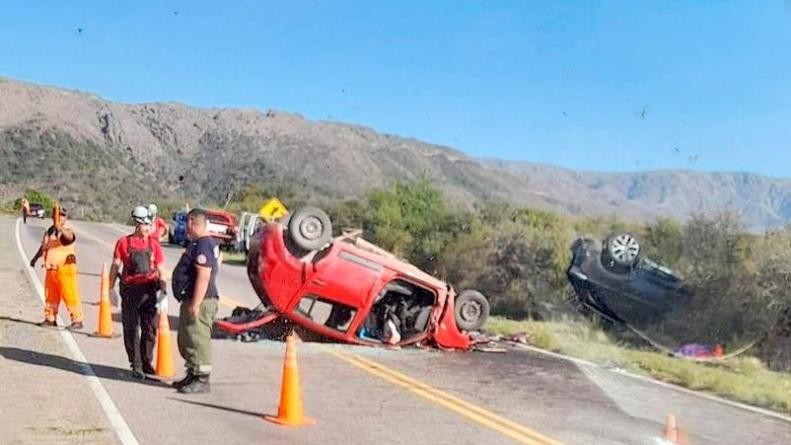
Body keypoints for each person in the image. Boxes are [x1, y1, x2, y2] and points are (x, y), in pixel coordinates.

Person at [109, 206, 168, 379]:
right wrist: (110, 288)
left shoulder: (154, 245)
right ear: (136, 224)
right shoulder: (123, 243)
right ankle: (136, 364)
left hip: (149, 291)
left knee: (149, 329)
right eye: (144, 225)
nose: (148, 228)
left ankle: (146, 361)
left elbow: (162, 269)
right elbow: (115, 266)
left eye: (150, 225)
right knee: (131, 329)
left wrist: (163, 292)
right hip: (130, 292)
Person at [171, 208, 220, 394]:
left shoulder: (204, 244)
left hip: (202, 300)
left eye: (187, 223)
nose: (186, 228)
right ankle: (192, 372)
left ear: (192, 222)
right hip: (192, 297)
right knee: (188, 337)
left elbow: (204, 275)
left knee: (198, 338)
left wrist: (196, 303)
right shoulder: (200, 243)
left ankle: (202, 377)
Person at [29, 208, 83, 329]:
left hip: (65, 269)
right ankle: (50, 319)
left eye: (62, 216)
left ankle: (77, 320)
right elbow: (44, 246)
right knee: (50, 297)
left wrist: (59, 228)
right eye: (57, 216)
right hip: (51, 269)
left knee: (70, 295)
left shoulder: (67, 230)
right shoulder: (50, 231)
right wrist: (35, 258)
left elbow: (69, 238)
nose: (59, 218)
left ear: (65, 217)